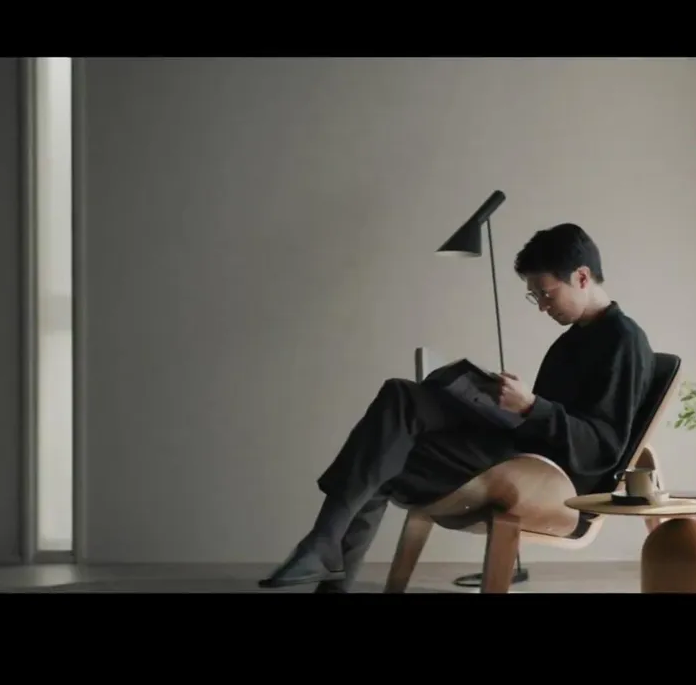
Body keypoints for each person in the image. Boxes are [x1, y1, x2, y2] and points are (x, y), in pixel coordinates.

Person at [258, 223, 656, 592]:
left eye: (546, 294)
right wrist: (496, 402)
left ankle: (324, 549)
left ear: (582, 277)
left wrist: (531, 407)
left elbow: (602, 448)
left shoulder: (623, 341)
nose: (541, 306)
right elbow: (544, 421)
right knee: (398, 406)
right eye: (534, 296)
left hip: (551, 482)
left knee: (389, 443)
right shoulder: (570, 341)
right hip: (520, 453)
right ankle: (325, 551)